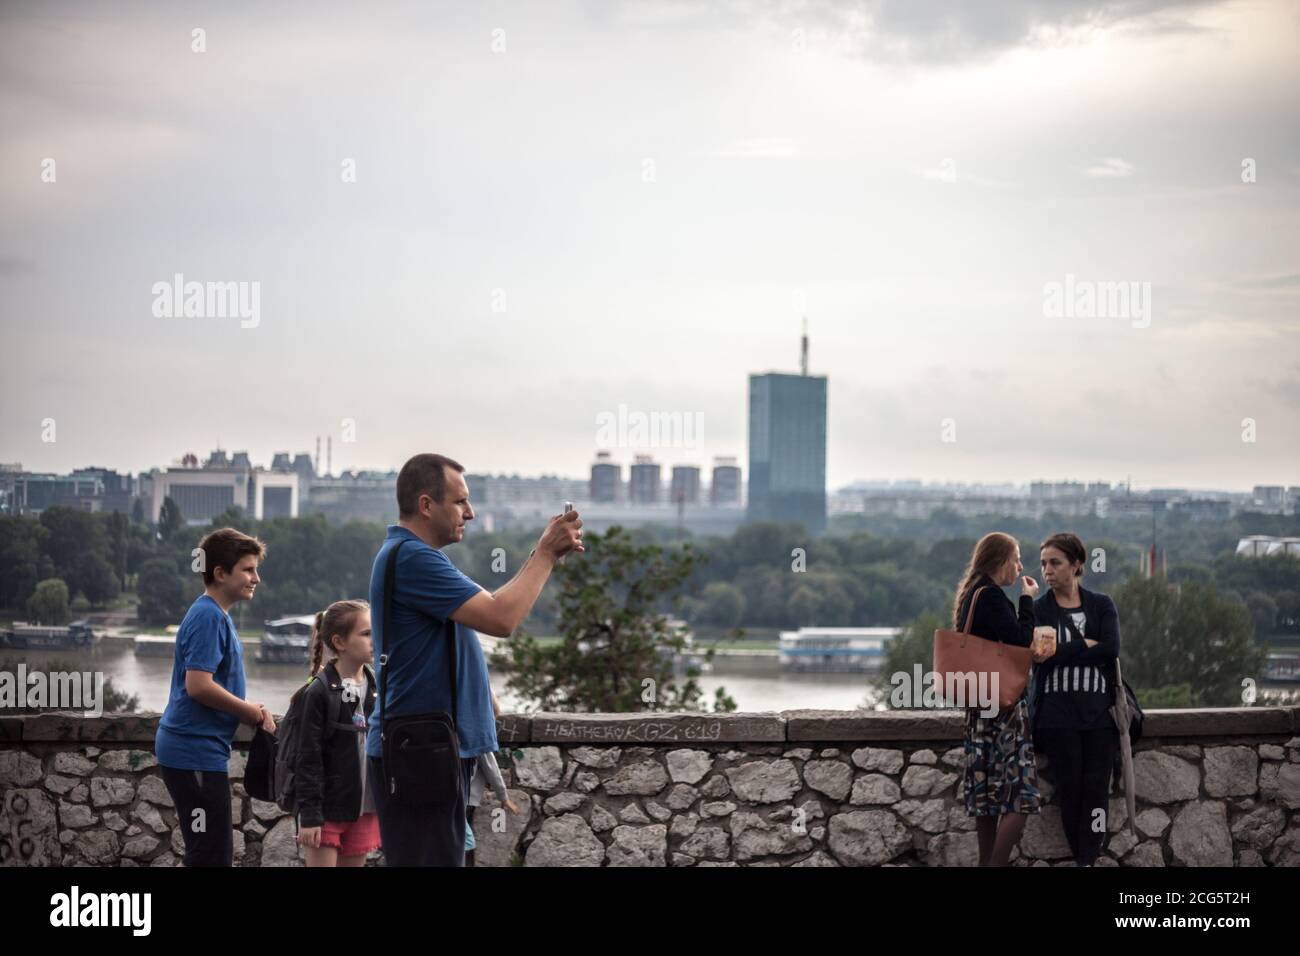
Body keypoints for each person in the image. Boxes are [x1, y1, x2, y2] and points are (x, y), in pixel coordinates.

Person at [366, 452, 583, 866]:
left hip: (430, 748)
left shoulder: (419, 557)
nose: (471, 512)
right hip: (420, 752)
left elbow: (494, 604)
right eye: (460, 501)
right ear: (427, 505)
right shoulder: (413, 559)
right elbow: (502, 618)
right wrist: (546, 554)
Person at [155, 527, 276, 867]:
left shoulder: (215, 614)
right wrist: (249, 712)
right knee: (209, 853)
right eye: (248, 569)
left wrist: (249, 707)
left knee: (209, 851)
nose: (257, 578)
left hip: (198, 752)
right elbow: (198, 685)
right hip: (193, 753)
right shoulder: (208, 616)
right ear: (221, 573)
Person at [952, 531, 1050, 866]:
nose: (1020, 565)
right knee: (1020, 797)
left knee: (988, 798)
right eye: (1017, 558)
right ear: (1000, 561)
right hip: (1004, 708)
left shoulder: (971, 594)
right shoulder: (991, 596)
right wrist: (1027, 599)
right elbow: (1020, 640)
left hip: (981, 708)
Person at [1031, 532, 1120, 867]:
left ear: (1077, 564)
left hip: (1098, 713)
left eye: (1055, 563)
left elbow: (1111, 650)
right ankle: (1081, 860)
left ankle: (1090, 856)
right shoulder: (1040, 609)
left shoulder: (1101, 605)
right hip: (1057, 715)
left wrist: (1062, 651)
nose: (1047, 571)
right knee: (1070, 790)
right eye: (1043, 564)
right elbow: (1043, 656)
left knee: (1097, 790)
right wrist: (1086, 645)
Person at [294, 600, 380, 867]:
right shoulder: (319, 692)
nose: (374, 639)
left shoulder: (378, 687)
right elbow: (308, 758)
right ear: (339, 643)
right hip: (328, 810)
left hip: (364, 808)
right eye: (366, 634)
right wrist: (310, 815)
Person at [465, 689, 520, 867]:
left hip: (452, 793)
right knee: (466, 841)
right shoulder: (478, 734)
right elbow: (490, 768)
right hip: (463, 796)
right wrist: (503, 797)